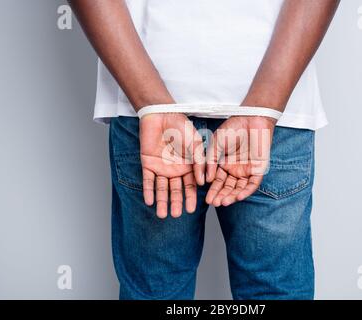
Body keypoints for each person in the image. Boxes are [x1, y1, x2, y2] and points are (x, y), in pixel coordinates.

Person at [69, 0, 339, 300]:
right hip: (270, 110)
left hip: (151, 106)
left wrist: (151, 103)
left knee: (155, 293)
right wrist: (265, 106)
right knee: (275, 293)